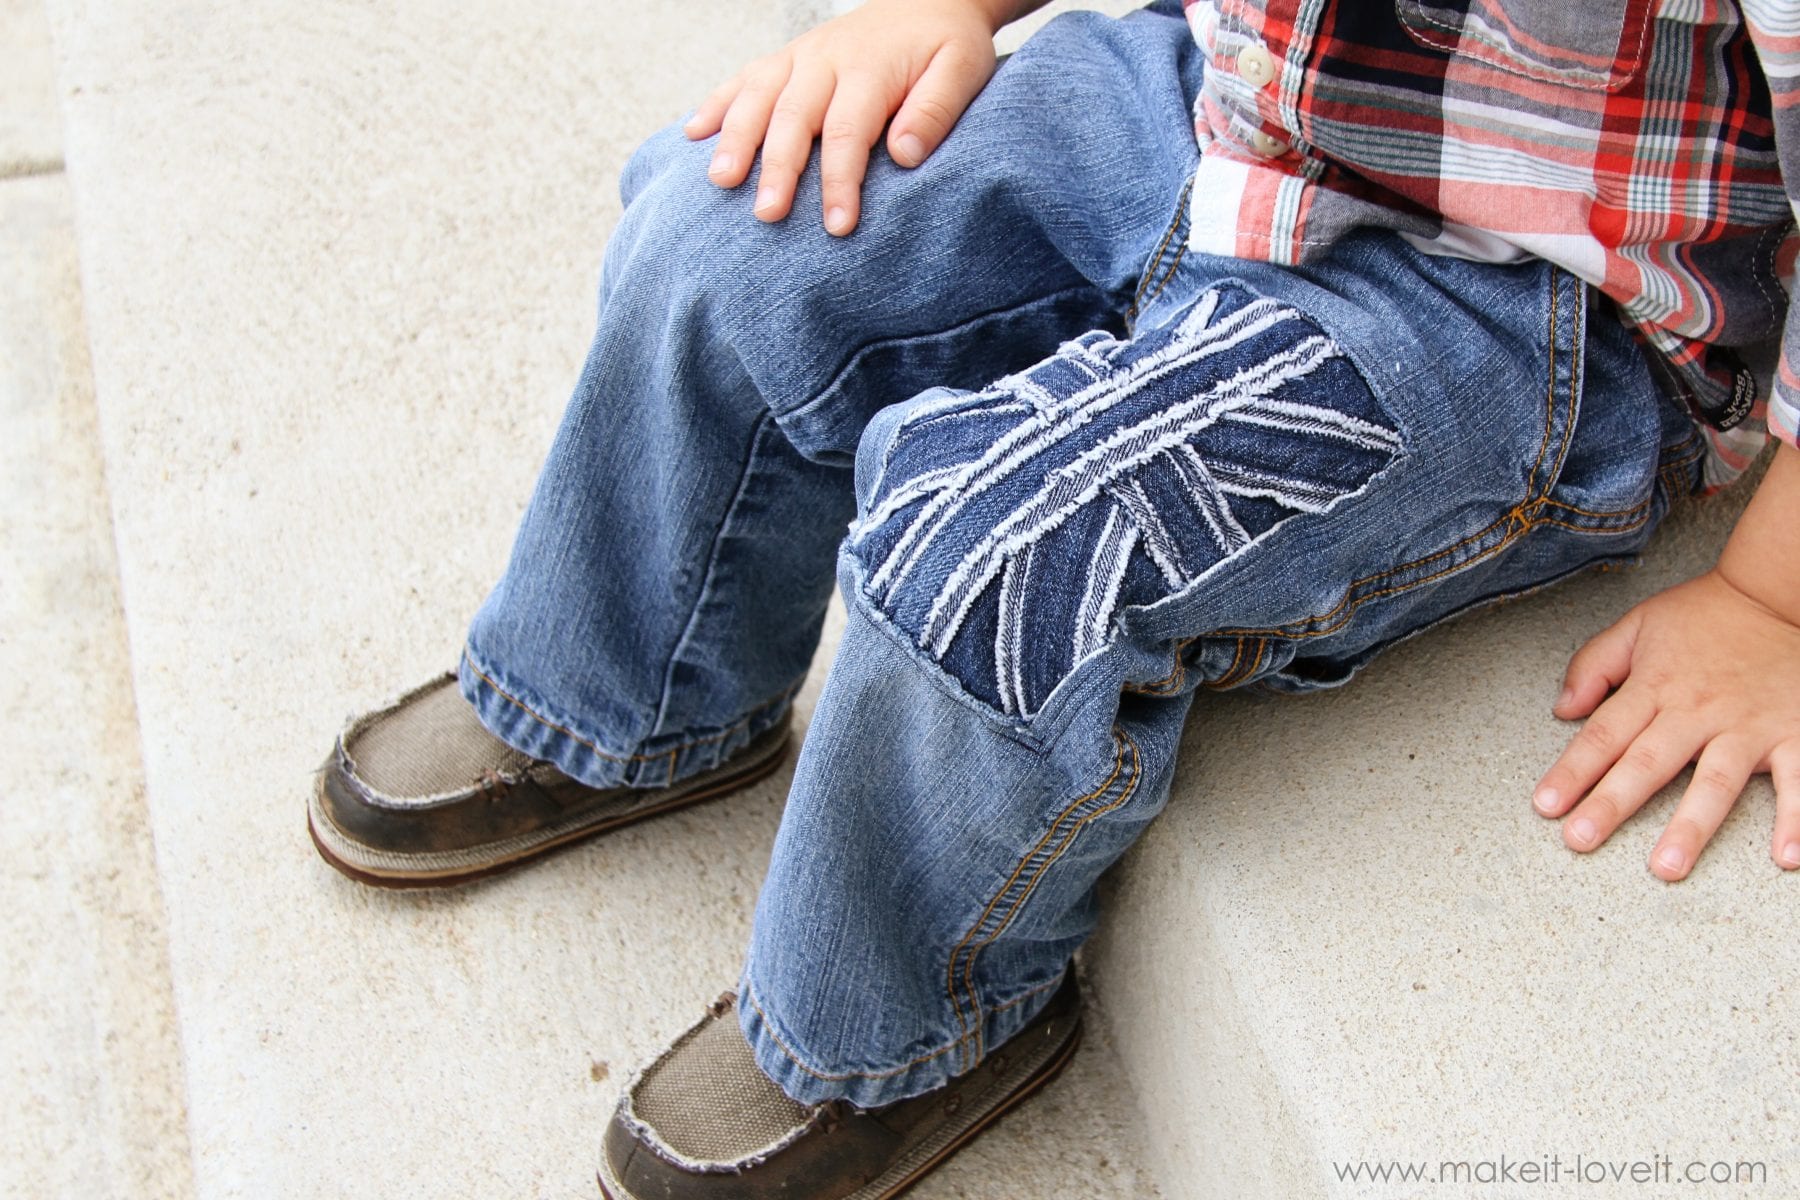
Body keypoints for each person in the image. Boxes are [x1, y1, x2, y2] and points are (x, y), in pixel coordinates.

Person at [308, 0, 1800, 1195]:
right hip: (1211, 94)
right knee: (726, 247)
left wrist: (1771, 596)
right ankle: (631, 693)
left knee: (998, 551)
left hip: (1512, 290)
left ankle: (895, 1032)